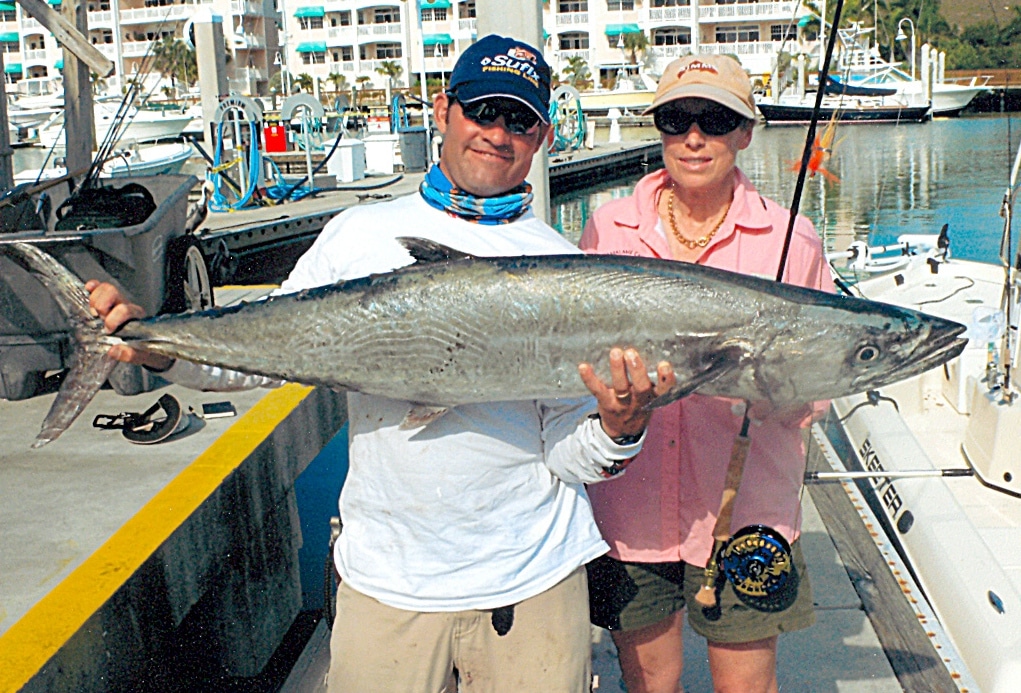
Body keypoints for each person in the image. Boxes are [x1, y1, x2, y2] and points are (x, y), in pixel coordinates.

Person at [87, 35, 676, 692]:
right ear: (444, 109)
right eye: (482, 110)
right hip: (386, 579)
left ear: (540, 136)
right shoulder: (358, 235)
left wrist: (619, 426)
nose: (497, 133)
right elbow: (258, 359)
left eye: (519, 120)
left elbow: (569, 456)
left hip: (531, 577)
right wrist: (158, 345)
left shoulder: (558, 265)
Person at [579, 54, 835, 693]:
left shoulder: (792, 239)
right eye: (677, 118)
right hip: (629, 510)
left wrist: (772, 385)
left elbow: (819, 388)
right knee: (648, 685)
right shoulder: (608, 229)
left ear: (746, 131)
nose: (694, 138)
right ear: (659, 128)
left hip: (749, 510)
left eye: (715, 120)